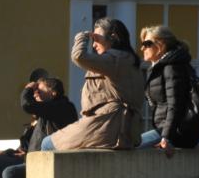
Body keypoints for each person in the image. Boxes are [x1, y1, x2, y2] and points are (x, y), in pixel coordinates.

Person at [41, 17, 144, 151]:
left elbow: (79, 56)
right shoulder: (127, 60)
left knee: (47, 143)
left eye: (96, 39)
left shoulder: (116, 59)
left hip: (108, 126)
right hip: (117, 127)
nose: (94, 45)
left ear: (113, 37)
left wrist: (82, 36)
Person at [0, 77, 78, 178]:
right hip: (36, 161)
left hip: (51, 163)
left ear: (53, 93)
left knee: (9, 172)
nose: (36, 93)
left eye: (40, 90)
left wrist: (27, 88)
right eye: (35, 91)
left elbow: (28, 105)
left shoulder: (61, 106)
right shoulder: (49, 110)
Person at [136, 25, 199, 157]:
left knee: (131, 147)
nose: (142, 48)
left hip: (176, 133)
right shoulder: (164, 66)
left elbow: (175, 105)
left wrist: (166, 137)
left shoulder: (171, 67)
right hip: (170, 131)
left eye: (147, 44)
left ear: (161, 45)